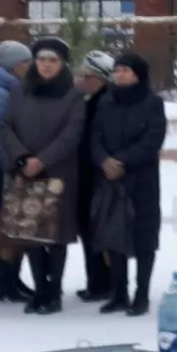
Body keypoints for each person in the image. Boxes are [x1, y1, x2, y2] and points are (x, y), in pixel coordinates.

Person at [2, 36, 87, 314]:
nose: (46, 66)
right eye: (41, 60)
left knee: (56, 236)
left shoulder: (73, 95)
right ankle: (39, 290)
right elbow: (5, 126)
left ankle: (54, 291)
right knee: (31, 235)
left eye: (52, 60)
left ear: (62, 64)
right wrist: (23, 157)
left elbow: (72, 134)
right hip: (26, 171)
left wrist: (43, 159)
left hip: (59, 173)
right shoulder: (19, 91)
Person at [88, 50, 167, 316]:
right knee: (114, 236)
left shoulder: (152, 103)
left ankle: (141, 294)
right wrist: (103, 161)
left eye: (126, 70)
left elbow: (152, 139)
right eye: (117, 70)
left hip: (141, 179)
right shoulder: (106, 101)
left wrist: (121, 160)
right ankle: (118, 292)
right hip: (109, 179)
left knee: (143, 237)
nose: (120, 74)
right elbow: (94, 135)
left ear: (138, 75)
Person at [0, 40, 35, 303]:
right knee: (2, 229)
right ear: (14, 66)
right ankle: (5, 285)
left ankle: (12, 281)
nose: (29, 67)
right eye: (25, 63)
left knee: (14, 228)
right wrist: (10, 168)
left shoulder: (10, 89)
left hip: (7, 169)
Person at [73, 49, 115, 302]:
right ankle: (97, 281)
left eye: (85, 75)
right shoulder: (92, 100)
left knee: (96, 231)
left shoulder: (102, 103)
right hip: (88, 175)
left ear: (98, 78)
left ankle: (102, 283)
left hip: (95, 176)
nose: (80, 79)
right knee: (90, 231)